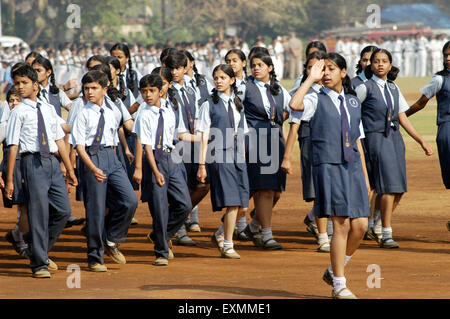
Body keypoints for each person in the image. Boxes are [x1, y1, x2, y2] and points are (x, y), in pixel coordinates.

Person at [289, 53, 370, 299]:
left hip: (353, 166)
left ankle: (335, 269)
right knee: (342, 224)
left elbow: (358, 140)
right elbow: (294, 105)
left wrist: (365, 177)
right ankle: (339, 284)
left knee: (361, 226)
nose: (325, 74)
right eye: (322, 70)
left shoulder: (353, 102)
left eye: (330, 69)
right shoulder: (314, 98)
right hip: (328, 166)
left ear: (343, 73)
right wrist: (309, 79)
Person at [355, 48, 433, 248]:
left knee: (399, 189)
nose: (380, 64)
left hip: (394, 139)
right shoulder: (366, 87)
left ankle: (376, 224)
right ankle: (386, 232)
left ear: (390, 65)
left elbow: (402, 117)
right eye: (376, 61)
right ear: (370, 65)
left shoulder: (392, 88)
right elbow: (352, 113)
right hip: (376, 139)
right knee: (387, 187)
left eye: (384, 61)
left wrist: (420, 140)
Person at [5, 64, 77, 278]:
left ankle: (35, 243)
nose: (19, 87)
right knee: (38, 213)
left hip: (52, 163)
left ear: (35, 85)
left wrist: (69, 170)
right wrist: (10, 179)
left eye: (24, 82)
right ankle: (39, 264)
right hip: (32, 162)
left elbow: (59, 140)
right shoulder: (17, 112)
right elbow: (13, 146)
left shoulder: (47, 108)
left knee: (63, 211)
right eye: (16, 83)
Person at [71, 70, 138, 272]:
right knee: (96, 210)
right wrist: (93, 168)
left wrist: (120, 157)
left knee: (130, 201)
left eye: (94, 88)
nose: (90, 92)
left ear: (104, 89)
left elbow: (115, 135)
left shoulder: (113, 112)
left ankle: (111, 238)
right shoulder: (82, 113)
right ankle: (94, 257)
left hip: (112, 157)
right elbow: (79, 147)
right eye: (86, 88)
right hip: (92, 158)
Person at [133, 74, 192, 266]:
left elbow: (176, 135)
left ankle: (161, 235)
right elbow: (147, 146)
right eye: (144, 92)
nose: (148, 95)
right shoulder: (144, 114)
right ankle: (161, 252)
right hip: (155, 160)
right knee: (159, 208)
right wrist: (154, 171)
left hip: (171, 158)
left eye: (152, 91)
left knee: (184, 205)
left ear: (161, 91)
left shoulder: (169, 110)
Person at [197, 64, 249, 258]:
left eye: (223, 78)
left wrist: (242, 158)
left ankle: (220, 233)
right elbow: (203, 136)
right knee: (232, 202)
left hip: (237, 157)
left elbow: (241, 134)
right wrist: (202, 165)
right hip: (219, 154)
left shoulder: (238, 103)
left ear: (232, 80)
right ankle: (228, 244)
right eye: (216, 78)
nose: (219, 81)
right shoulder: (208, 104)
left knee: (243, 205)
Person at [282, 50, 332, 252]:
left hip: (332, 146)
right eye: (311, 68)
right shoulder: (308, 96)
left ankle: (322, 225)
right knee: (319, 190)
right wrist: (287, 157)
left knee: (331, 189)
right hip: (312, 143)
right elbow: (294, 125)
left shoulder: (335, 93)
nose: (318, 71)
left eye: (322, 68)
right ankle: (322, 236)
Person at [241, 52, 291, 250]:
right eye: (253, 65)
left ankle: (251, 227)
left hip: (275, 141)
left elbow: (293, 107)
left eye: (261, 65)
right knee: (264, 189)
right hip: (256, 141)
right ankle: (267, 235)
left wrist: (279, 120)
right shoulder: (245, 87)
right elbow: (236, 111)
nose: (256, 68)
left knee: (276, 191)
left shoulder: (278, 89)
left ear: (270, 68)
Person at [406, 41, 450, 192]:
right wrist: (403, 116)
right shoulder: (439, 79)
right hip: (447, 127)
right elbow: (420, 103)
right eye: (446, 55)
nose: (448, 58)